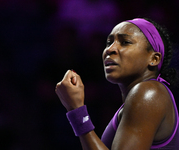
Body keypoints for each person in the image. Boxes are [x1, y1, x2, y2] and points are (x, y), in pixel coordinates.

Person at [55, 18, 179, 150]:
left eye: (125, 42)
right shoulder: (145, 95)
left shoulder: (149, 93)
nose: (110, 49)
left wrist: (77, 110)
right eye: (109, 43)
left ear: (154, 59)